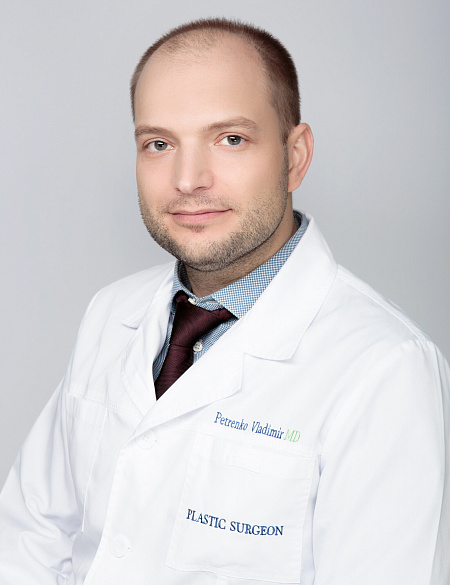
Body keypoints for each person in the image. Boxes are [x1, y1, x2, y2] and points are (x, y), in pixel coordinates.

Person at [0, 17, 449, 585]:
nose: (188, 179)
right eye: (159, 144)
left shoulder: (385, 368)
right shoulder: (110, 313)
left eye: (230, 139)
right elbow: (31, 539)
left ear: (295, 156)